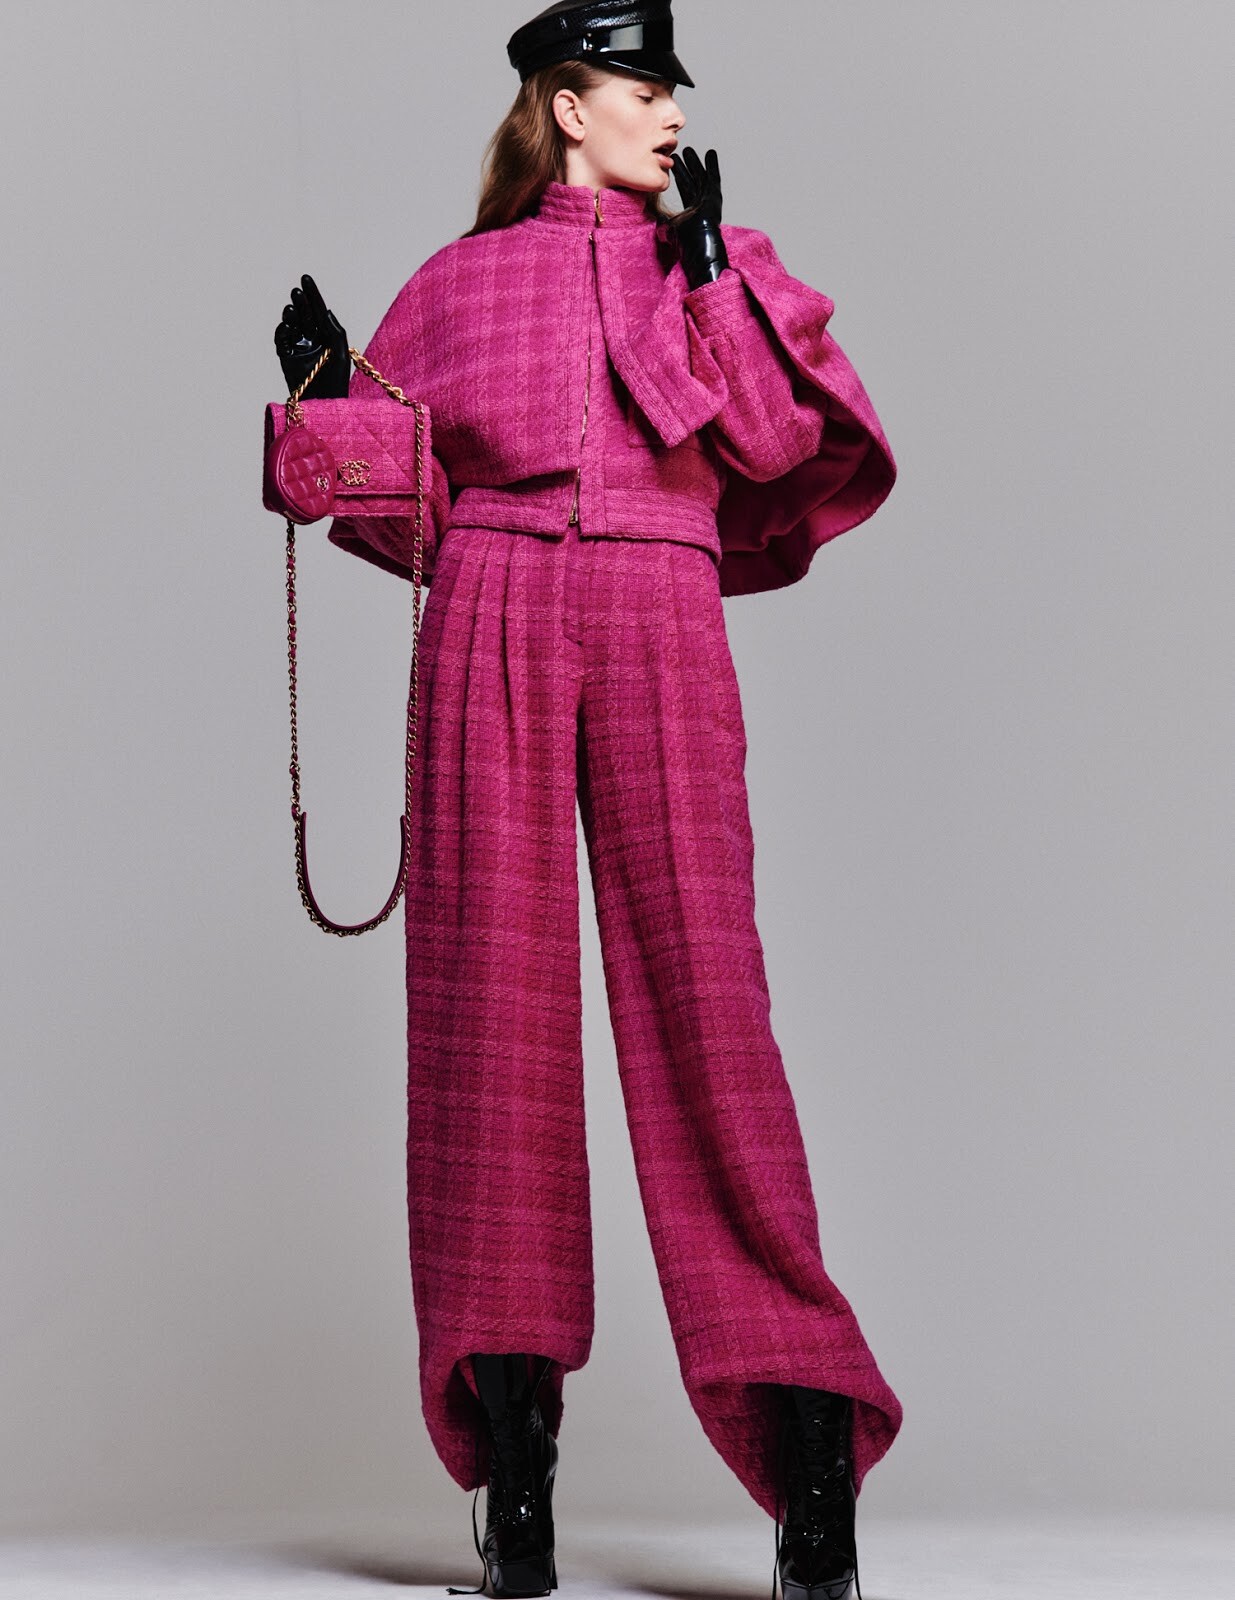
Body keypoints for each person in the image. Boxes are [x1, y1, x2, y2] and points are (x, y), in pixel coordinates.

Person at [273, 4, 902, 1597]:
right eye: (643, 86)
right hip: (488, 599)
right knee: (486, 1023)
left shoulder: (722, 265)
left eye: (673, 89)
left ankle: (811, 1471)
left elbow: (775, 442)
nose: (672, 111)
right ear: (568, 106)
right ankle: (520, 1491)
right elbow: (407, 509)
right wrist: (334, 397)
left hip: (658, 604)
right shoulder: (458, 280)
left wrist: (712, 273)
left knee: (709, 1007)